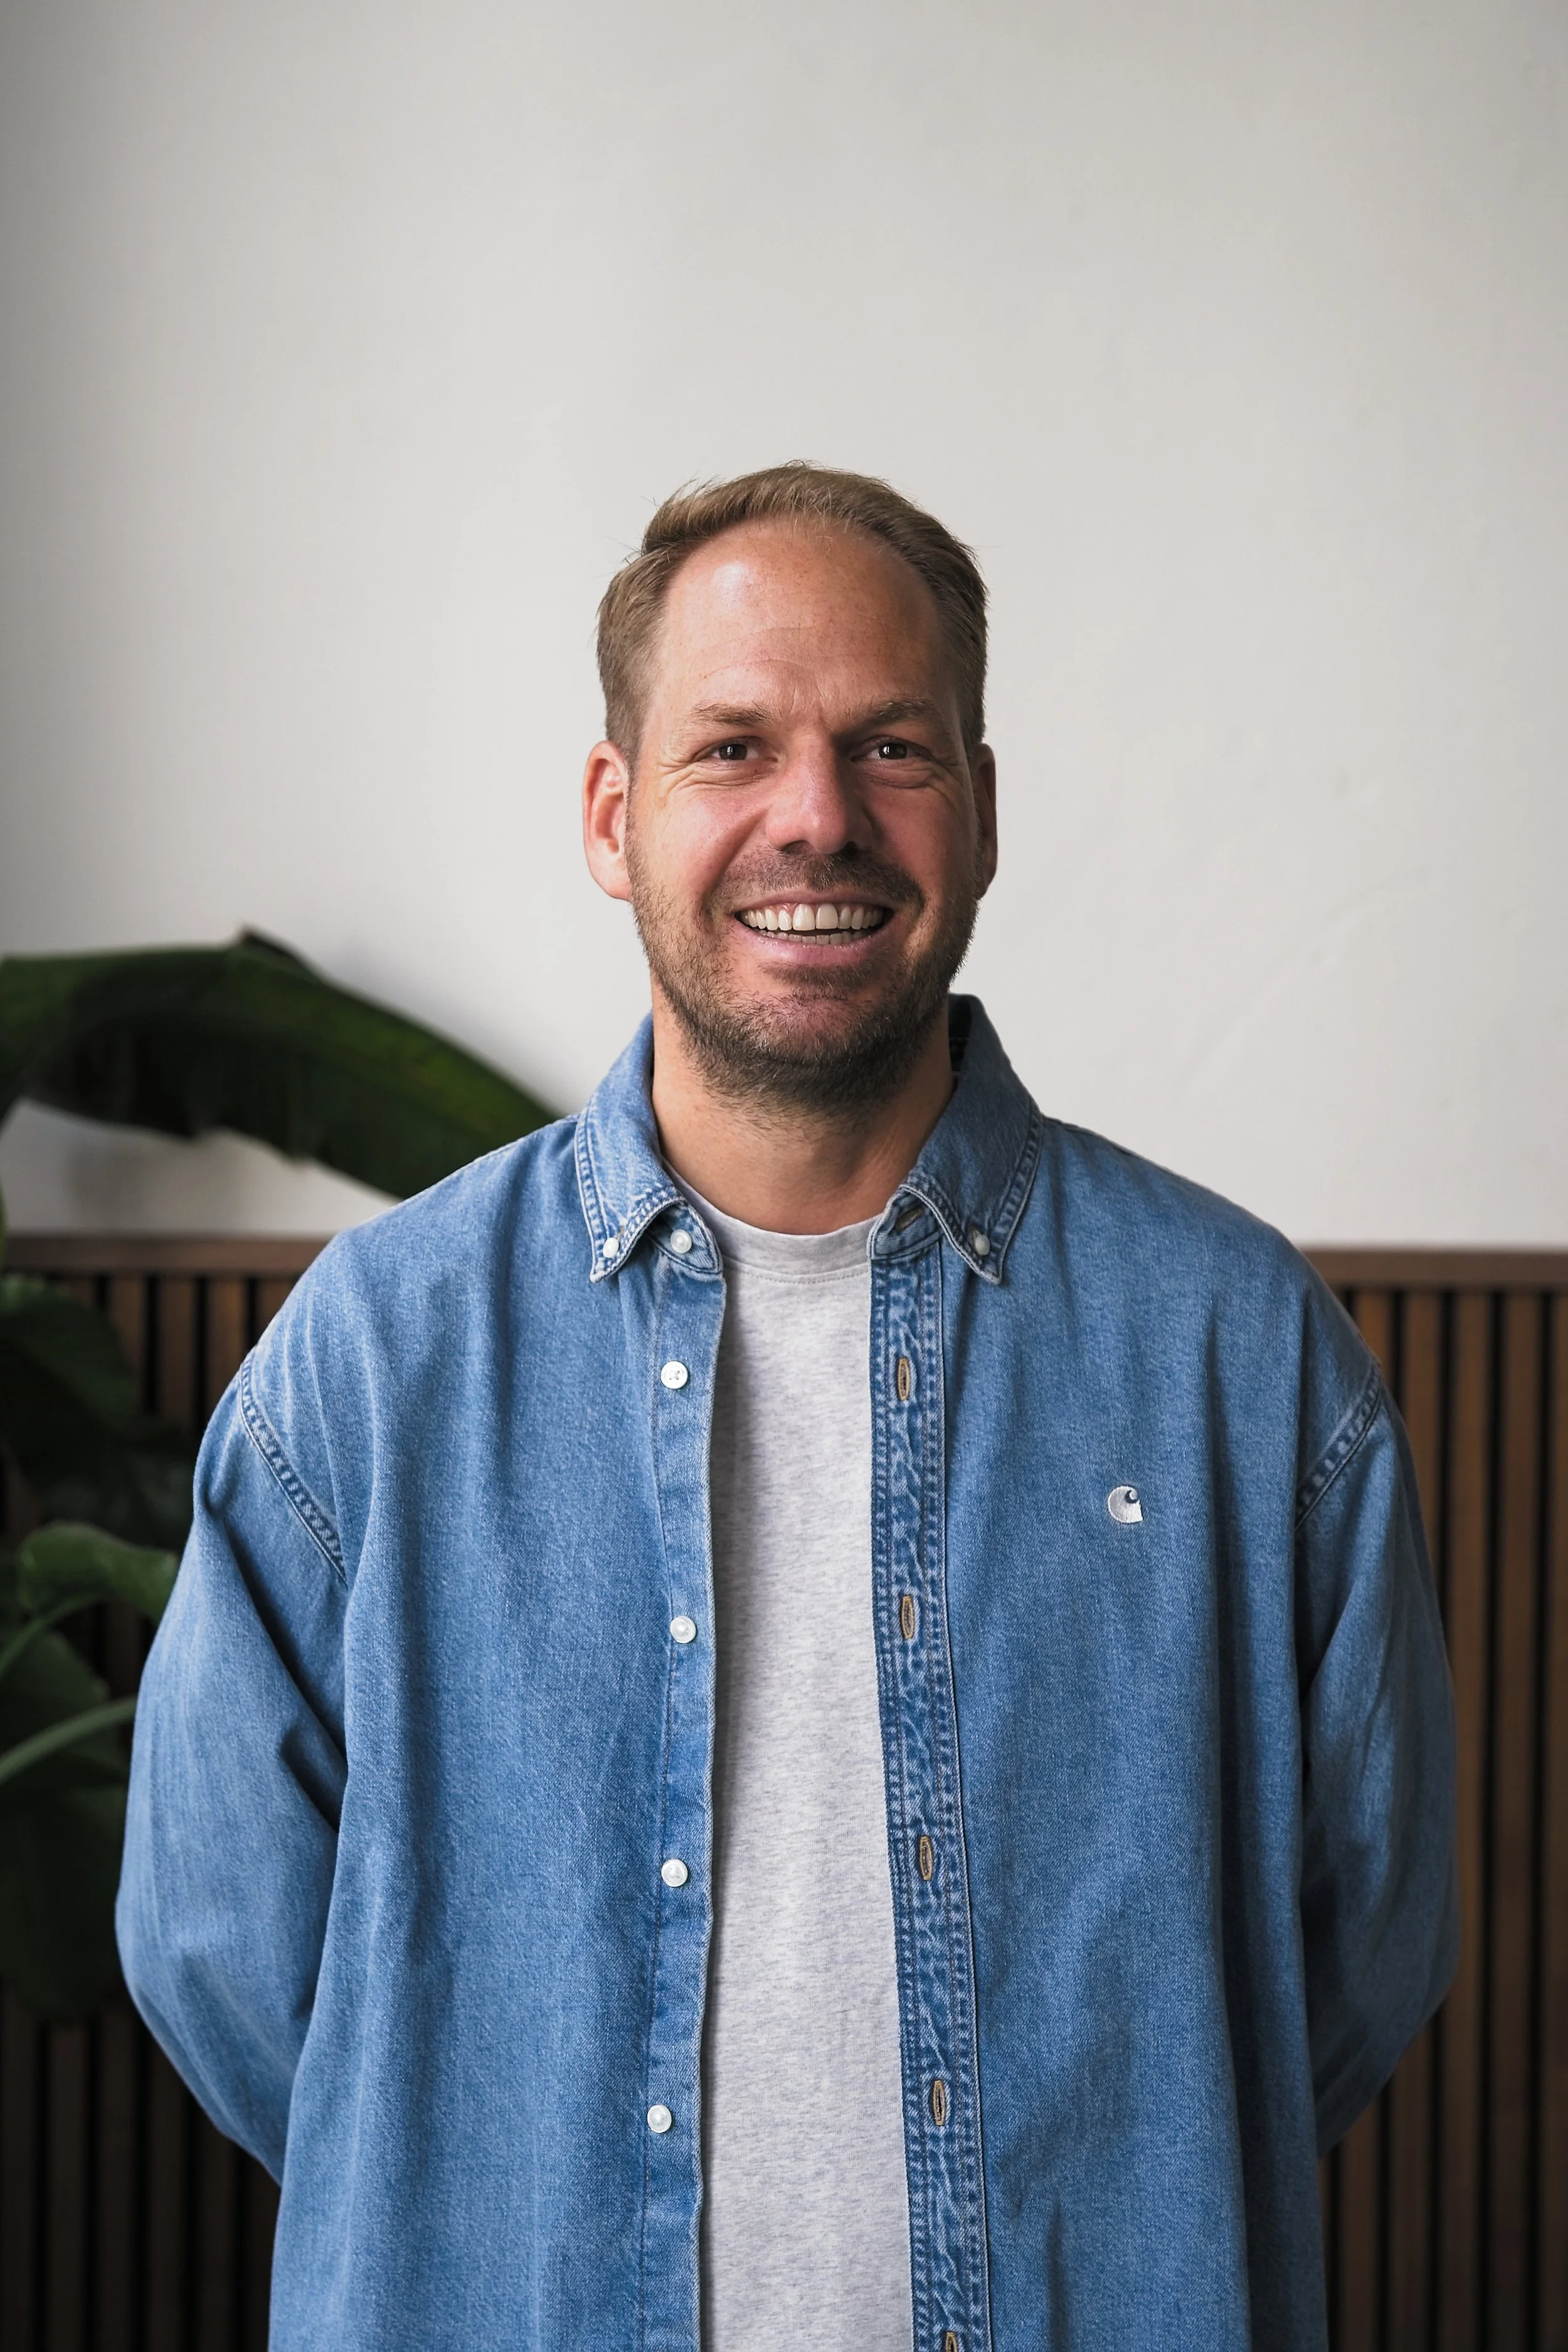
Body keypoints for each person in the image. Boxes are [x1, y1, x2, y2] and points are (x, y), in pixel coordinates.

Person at [117, 463, 1458, 2352]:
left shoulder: (1238, 1352)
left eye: (890, 747)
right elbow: (222, 1951)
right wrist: (483, 2211)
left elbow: (1354, 1953)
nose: (816, 815)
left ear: (980, 808)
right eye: (732, 747)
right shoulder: (375, 1362)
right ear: (617, 816)